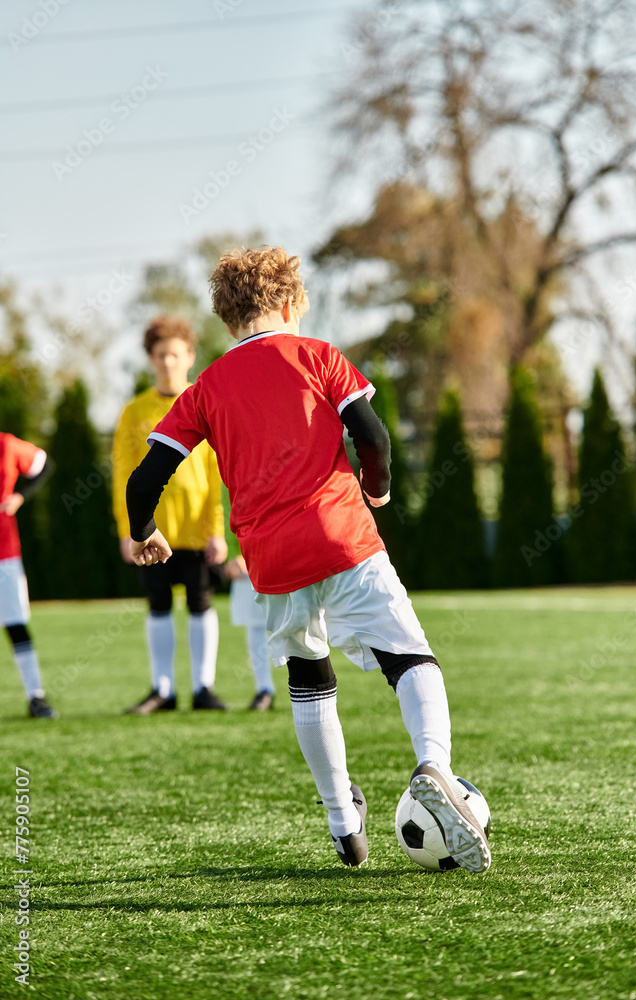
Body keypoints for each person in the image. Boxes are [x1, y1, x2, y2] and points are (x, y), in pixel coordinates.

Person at [124, 246, 491, 873]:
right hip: (344, 537)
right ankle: (435, 764)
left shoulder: (207, 387)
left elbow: (147, 475)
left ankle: (343, 821)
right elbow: (372, 436)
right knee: (409, 657)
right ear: (292, 303)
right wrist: (375, 489)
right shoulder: (318, 354)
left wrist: (144, 530)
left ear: (226, 318)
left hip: (272, 560)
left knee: (308, 677)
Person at [112, 315, 228, 714]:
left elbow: (218, 473)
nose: (168, 362)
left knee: (201, 602)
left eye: (175, 354)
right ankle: (162, 689)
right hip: (151, 531)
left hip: (196, 531)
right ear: (151, 359)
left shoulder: (206, 402)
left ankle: (203, 688)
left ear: (189, 356)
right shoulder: (134, 411)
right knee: (158, 604)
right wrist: (129, 530)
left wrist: (217, 530)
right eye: (160, 355)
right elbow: (122, 475)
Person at [0, 432, 57, 718]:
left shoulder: (7, 445)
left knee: (15, 625)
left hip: (4, 552)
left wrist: (20, 496)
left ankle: (36, 698)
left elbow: (44, 465)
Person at [224, 555, 275, 711]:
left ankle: (310, 688)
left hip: (288, 555)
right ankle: (264, 688)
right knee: (256, 624)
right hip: (255, 561)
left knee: (301, 626)